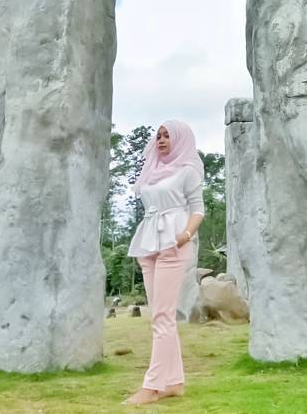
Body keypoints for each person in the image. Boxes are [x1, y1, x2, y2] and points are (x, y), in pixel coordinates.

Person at [123, 120, 205, 406]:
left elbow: (198, 209)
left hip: (173, 242)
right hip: (148, 241)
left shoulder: (188, 170)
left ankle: (152, 385)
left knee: (163, 316)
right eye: (158, 136)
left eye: (167, 135)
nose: (161, 140)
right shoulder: (152, 170)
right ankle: (174, 382)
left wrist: (184, 236)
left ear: (180, 139)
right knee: (159, 315)